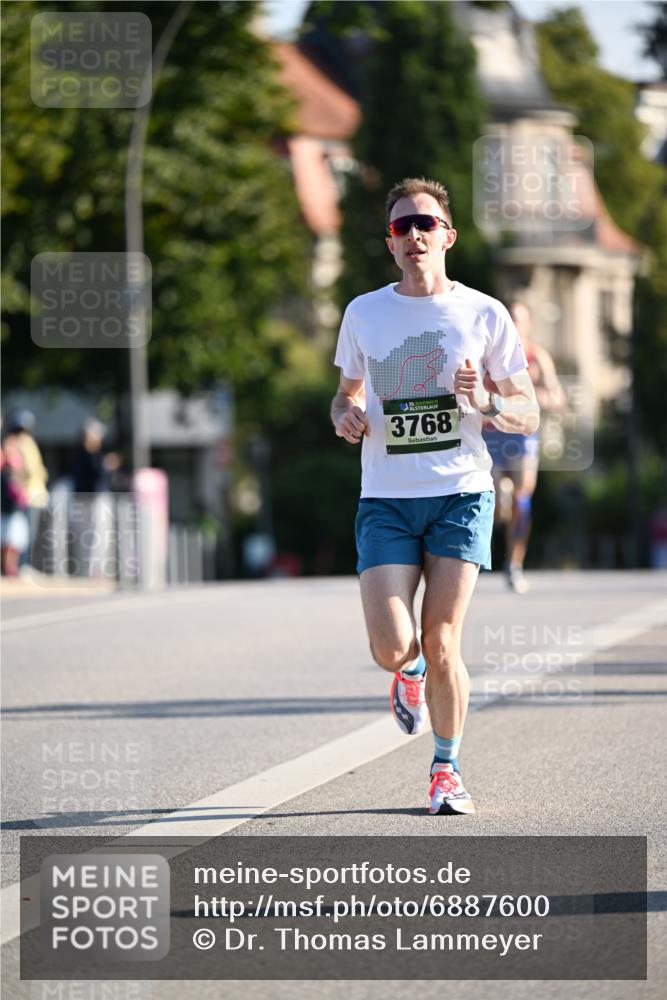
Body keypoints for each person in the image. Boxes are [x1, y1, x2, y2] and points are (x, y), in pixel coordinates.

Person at [331, 177, 539, 815]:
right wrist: (344, 413)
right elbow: (348, 394)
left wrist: (487, 403)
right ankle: (408, 672)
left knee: (442, 636)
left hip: (461, 493)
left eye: (425, 223)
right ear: (389, 244)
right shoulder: (365, 312)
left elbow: (527, 413)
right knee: (393, 646)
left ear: (447, 235)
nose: (414, 234)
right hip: (387, 499)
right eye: (401, 226)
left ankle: (445, 769)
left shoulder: (483, 313)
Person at [483, 300, 565, 594]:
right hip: (491, 433)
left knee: (522, 500)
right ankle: (497, 512)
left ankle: (514, 564)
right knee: (494, 498)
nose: (515, 325)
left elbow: (557, 397)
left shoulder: (537, 357)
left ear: (528, 324)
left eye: (520, 319)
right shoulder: (488, 353)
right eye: (511, 319)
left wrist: (536, 398)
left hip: (521, 435)